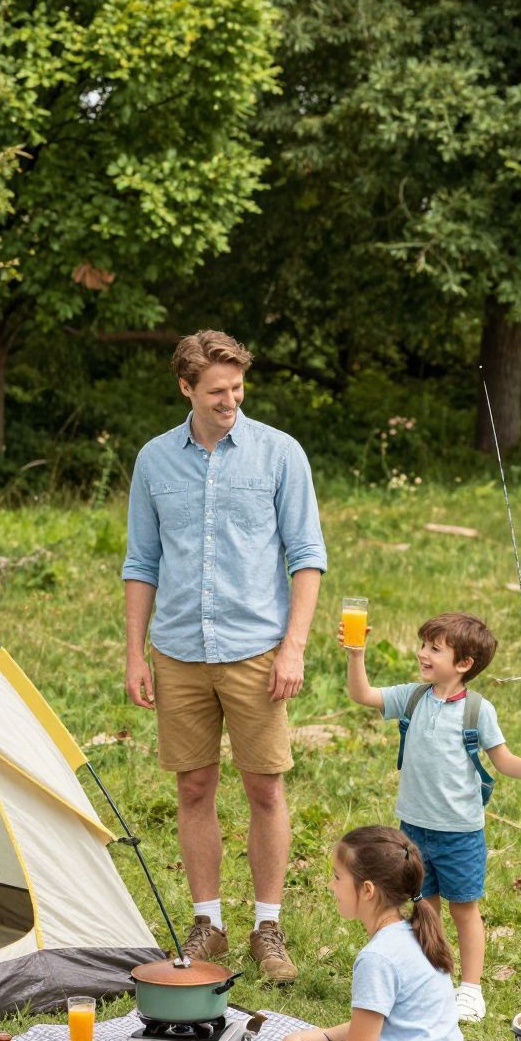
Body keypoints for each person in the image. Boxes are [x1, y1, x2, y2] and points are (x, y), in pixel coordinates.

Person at [123, 329, 327, 982]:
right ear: (186, 388)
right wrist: (135, 654)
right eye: (216, 391)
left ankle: (268, 926)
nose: (230, 401)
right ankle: (207, 922)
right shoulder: (155, 461)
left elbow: (307, 557)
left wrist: (292, 648)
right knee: (193, 785)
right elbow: (141, 563)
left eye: (238, 388)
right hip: (178, 652)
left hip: (256, 654)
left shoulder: (278, 455)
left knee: (264, 786)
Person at [343, 611, 521, 1023]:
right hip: (413, 831)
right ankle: (431, 979)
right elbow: (362, 694)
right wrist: (357, 654)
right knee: (425, 907)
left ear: (464, 665)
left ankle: (471, 990)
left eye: (434, 649)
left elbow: (504, 760)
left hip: (460, 833)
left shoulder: (478, 711)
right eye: (424, 644)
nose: (423, 653)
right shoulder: (412, 697)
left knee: (464, 909)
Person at [255, 825, 466, 1041]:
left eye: (337, 877)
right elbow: (391, 1024)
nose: (330, 885)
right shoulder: (414, 934)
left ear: (367, 890)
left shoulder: (377, 957)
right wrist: (321, 1038)